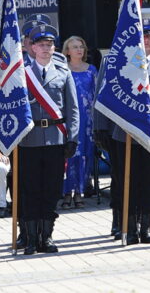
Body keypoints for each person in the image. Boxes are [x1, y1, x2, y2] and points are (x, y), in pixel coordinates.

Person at [97, 18, 150, 244]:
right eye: (141, 36)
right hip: (123, 135)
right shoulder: (119, 63)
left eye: (149, 36)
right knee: (126, 182)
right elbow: (102, 96)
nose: (145, 40)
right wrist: (100, 127)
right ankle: (129, 228)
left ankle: (147, 228)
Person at [19, 24, 79, 255]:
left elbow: (73, 109)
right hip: (29, 140)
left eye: (49, 44)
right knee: (30, 189)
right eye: (41, 45)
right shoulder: (22, 74)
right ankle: (32, 238)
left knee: (52, 190)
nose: (46, 49)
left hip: (56, 139)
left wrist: (72, 137)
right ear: (32, 47)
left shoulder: (63, 73)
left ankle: (48, 236)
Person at [60, 36, 97, 209]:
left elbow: (97, 95)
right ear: (67, 51)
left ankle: (79, 192)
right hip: (68, 119)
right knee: (69, 155)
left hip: (87, 120)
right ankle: (67, 192)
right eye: (74, 47)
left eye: (81, 46)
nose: (79, 50)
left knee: (83, 155)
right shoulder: (62, 70)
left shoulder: (92, 70)